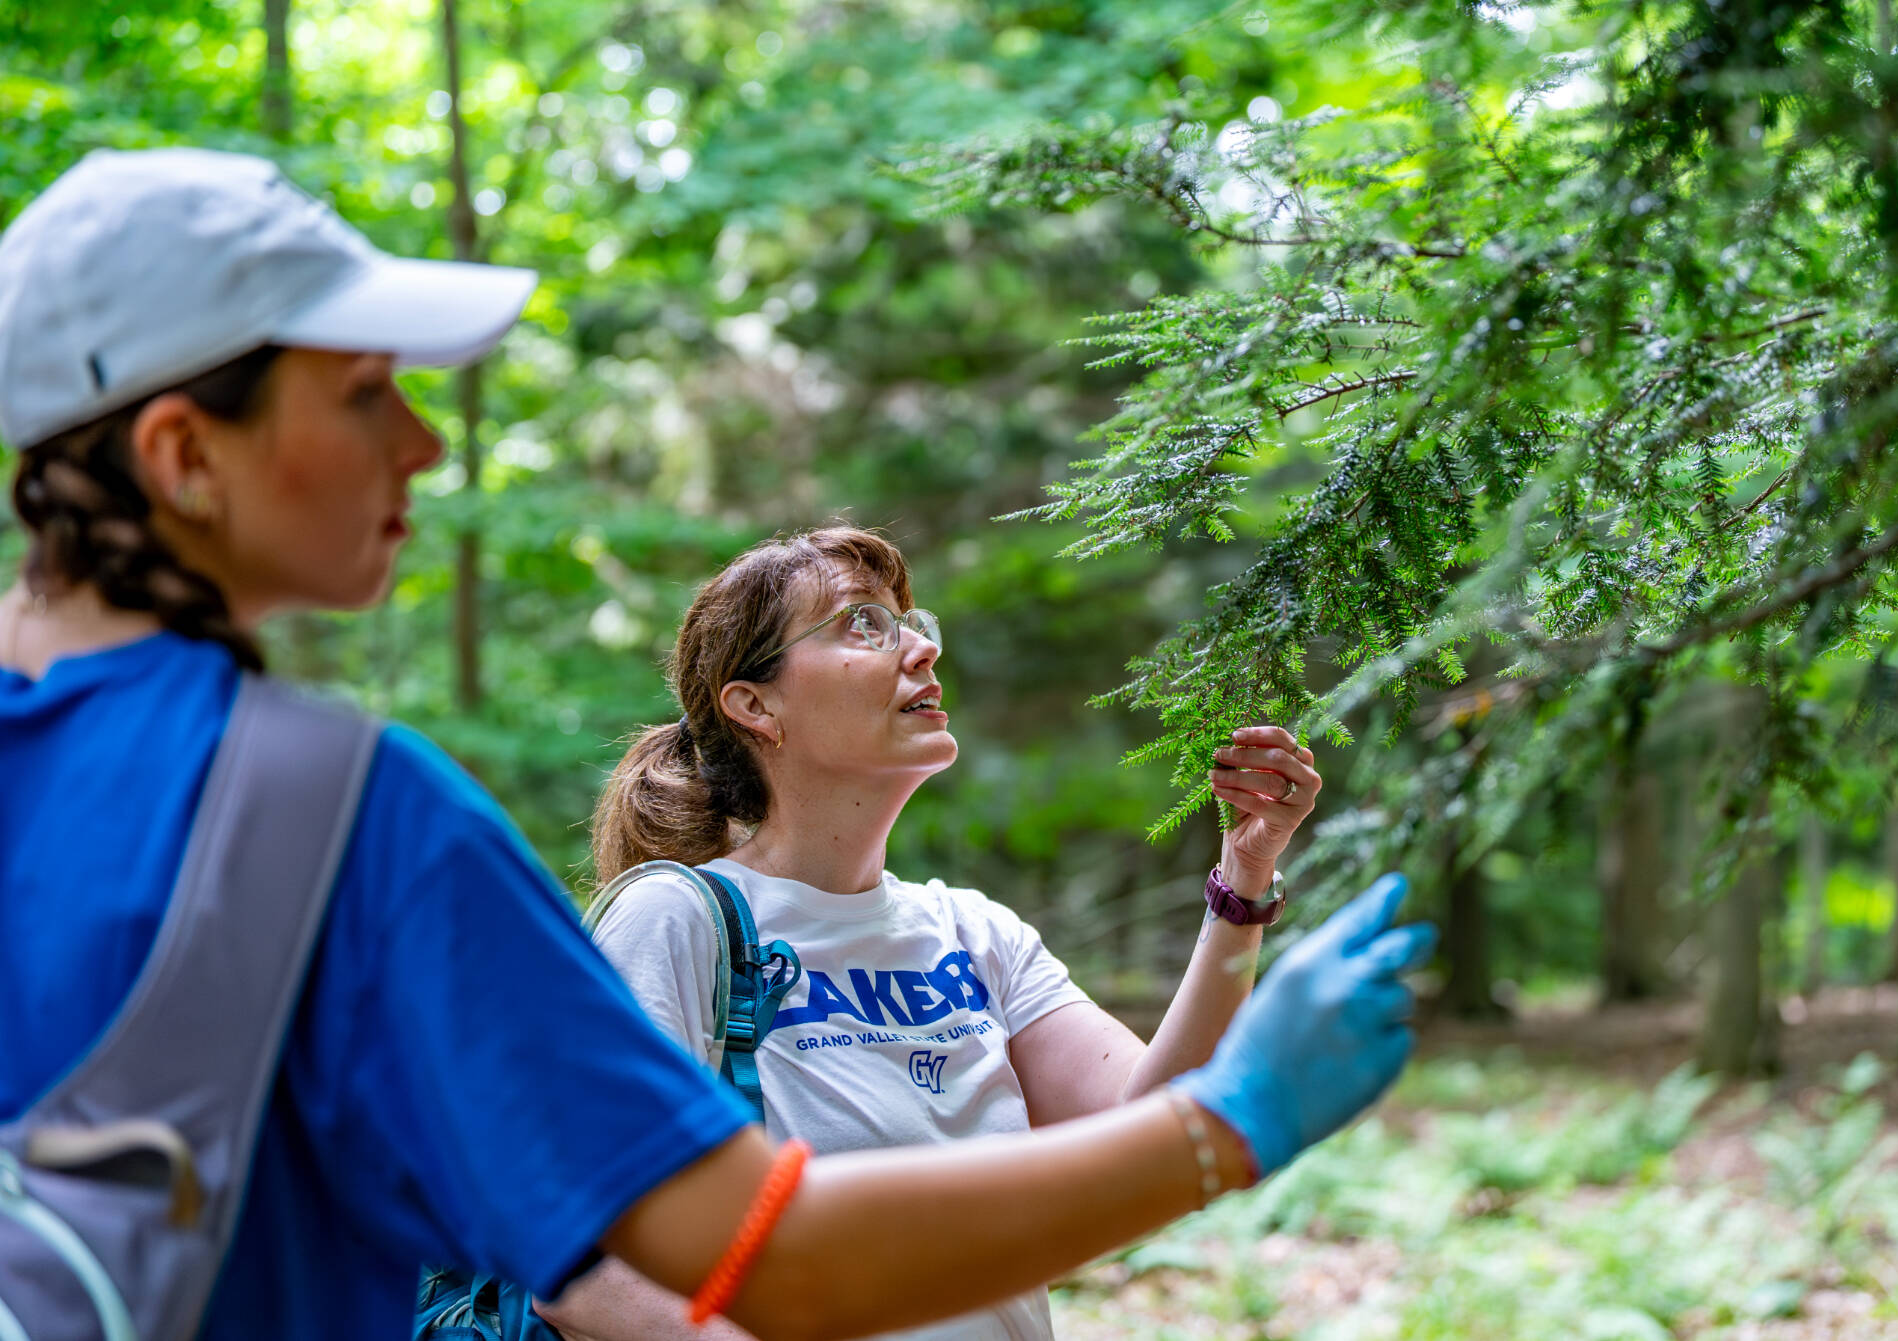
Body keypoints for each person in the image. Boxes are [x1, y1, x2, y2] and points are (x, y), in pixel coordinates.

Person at [0, 146, 1433, 1341]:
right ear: (184, 455)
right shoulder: (342, 820)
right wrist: (1229, 1123)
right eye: (366, 391)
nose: (427, 445)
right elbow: (755, 1247)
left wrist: (1240, 907)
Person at [539, 526, 1323, 1341]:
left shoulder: (977, 933)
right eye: (863, 625)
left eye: (912, 625)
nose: (919, 651)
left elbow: (1157, 1130)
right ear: (755, 704)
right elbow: (577, 1259)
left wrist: (1243, 880)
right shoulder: (678, 919)